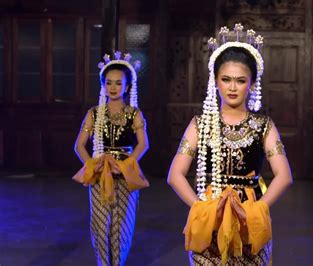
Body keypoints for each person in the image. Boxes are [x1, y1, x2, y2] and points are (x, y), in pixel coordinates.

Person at [167, 23, 293, 265]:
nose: (233, 87)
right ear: (215, 81)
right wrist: (203, 209)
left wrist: (256, 210)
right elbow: (175, 175)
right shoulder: (200, 124)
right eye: (226, 79)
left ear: (252, 84)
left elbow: (284, 176)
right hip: (210, 218)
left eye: (240, 80)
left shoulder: (263, 125)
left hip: (250, 222)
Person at [73, 51, 150, 265]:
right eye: (109, 83)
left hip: (124, 174)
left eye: (118, 83)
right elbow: (79, 145)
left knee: (122, 224)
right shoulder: (94, 113)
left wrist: (125, 166)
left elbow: (143, 145)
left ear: (126, 87)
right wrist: (92, 165)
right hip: (100, 174)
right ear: (103, 85)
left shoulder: (134, 114)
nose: (113, 87)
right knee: (99, 224)